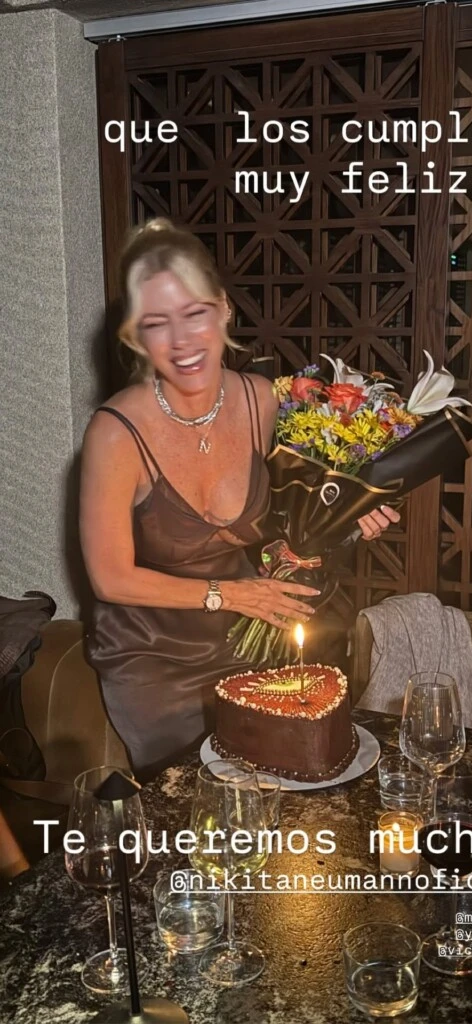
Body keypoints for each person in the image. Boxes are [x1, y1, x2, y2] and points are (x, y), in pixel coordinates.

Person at [80, 218, 398, 777]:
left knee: (289, 782)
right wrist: (229, 594)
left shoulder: (265, 403)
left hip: (248, 644)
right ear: (135, 336)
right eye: (157, 322)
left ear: (224, 309)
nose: (181, 341)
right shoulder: (115, 433)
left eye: (195, 313)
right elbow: (110, 579)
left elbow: (295, 524)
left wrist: (352, 516)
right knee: (201, 794)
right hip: (152, 659)